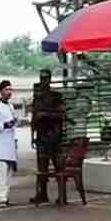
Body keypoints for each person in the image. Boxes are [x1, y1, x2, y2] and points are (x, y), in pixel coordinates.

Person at [31, 68, 66, 204]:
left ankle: (62, 195)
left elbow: (62, 114)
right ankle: (42, 194)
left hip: (54, 136)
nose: (43, 81)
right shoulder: (37, 97)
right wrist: (32, 134)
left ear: (50, 79)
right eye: (41, 78)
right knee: (42, 168)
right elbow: (34, 116)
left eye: (45, 78)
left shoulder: (56, 96)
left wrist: (45, 115)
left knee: (59, 167)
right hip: (41, 136)